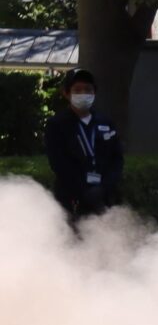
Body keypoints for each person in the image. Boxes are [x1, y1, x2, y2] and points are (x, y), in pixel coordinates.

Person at [43, 69, 120, 219]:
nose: (83, 94)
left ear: (94, 93)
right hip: (71, 201)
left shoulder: (106, 122)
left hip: (104, 199)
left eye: (88, 89)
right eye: (77, 90)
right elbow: (59, 163)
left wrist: (104, 187)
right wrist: (83, 190)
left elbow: (116, 159)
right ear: (66, 93)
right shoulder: (57, 125)